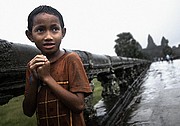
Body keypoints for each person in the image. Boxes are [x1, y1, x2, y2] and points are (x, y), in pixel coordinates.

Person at [23, 5, 92, 126]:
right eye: (40, 30)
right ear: (30, 35)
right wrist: (33, 80)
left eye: (54, 29)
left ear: (63, 32)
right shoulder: (33, 65)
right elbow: (28, 111)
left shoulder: (71, 59)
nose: (48, 37)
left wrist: (46, 78)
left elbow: (79, 105)